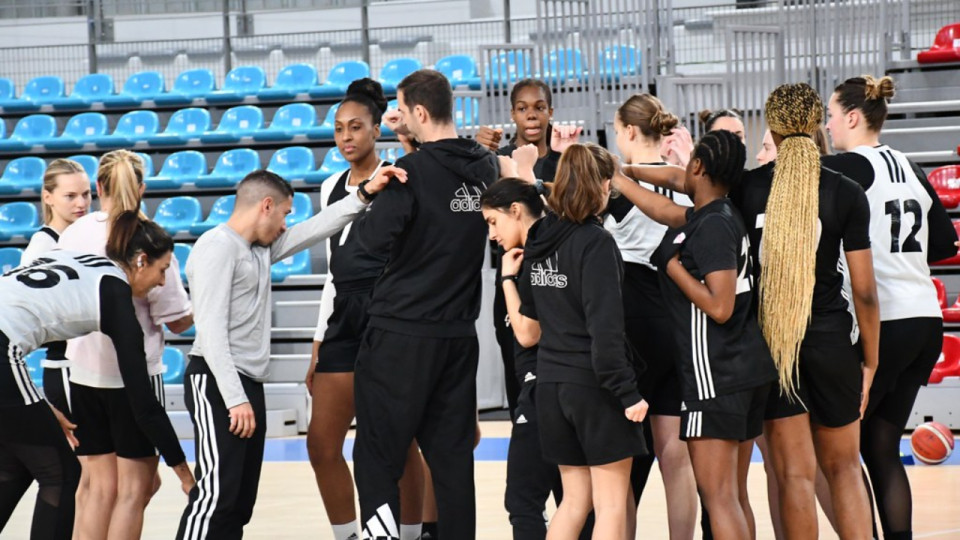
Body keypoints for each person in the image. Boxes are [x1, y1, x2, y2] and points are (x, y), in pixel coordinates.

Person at [622, 83, 880, 540]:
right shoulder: (845, 190)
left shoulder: (747, 186)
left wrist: (624, 172)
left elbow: (680, 190)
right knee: (844, 471)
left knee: (795, 477)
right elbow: (864, 291)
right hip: (831, 344)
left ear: (773, 132)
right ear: (817, 127)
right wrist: (871, 359)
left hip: (776, 345)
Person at [177, 165, 400, 539]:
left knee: (238, 502)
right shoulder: (217, 247)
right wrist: (234, 399)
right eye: (283, 214)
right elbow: (211, 332)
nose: (285, 225)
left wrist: (365, 193)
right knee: (214, 498)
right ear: (266, 205)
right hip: (217, 383)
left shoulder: (258, 249)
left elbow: (316, 227)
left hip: (246, 385)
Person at [349, 69, 498, 540]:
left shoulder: (407, 175)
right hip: (458, 336)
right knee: (453, 464)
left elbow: (354, 258)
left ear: (418, 112)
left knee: (377, 458)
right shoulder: (486, 168)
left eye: (402, 109)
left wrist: (371, 193)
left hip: (400, 336)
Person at [615, 129, 778, 539]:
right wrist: (621, 176)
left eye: (688, 165)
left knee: (719, 496)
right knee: (733, 495)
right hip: (742, 371)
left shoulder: (711, 227)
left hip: (717, 375)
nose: (681, 172)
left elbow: (719, 306)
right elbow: (667, 201)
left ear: (700, 167)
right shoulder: (715, 213)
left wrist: (670, 266)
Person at [0, 211, 195, 540]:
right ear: (141, 260)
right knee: (61, 473)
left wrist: (40, 407)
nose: (162, 282)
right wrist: (186, 476)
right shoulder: (116, 298)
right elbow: (145, 405)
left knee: (13, 465)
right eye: (163, 271)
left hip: (7, 353)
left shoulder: (79, 258)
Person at [823, 75, 958, 540]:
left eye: (832, 115)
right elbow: (945, 241)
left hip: (886, 321)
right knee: (879, 444)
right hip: (926, 318)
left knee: (839, 452)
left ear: (853, 117)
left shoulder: (845, 169)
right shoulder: (911, 166)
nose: (828, 124)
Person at [504, 143, 648, 540]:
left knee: (573, 501)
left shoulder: (539, 242)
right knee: (612, 504)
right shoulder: (596, 243)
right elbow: (606, 331)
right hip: (594, 388)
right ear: (602, 185)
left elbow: (529, 324)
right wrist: (627, 392)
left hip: (550, 386)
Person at [305, 78, 424, 540]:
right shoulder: (330, 185)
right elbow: (334, 271)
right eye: (338, 129)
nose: (346, 137)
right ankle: (348, 535)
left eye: (356, 127)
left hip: (389, 314)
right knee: (321, 444)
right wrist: (318, 340)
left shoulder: (401, 176)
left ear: (377, 129)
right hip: (342, 320)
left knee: (400, 442)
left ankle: (413, 534)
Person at [58, 149, 193, 540]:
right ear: (143, 188)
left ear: (98, 188)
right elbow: (177, 319)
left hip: (81, 371)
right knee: (133, 492)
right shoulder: (149, 236)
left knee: (95, 490)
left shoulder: (75, 233)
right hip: (132, 379)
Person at [609, 93, 698, 540]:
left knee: (620, 462)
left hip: (633, 322)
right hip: (680, 318)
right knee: (675, 458)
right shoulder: (685, 181)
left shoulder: (615, 182)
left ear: (627, 131)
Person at [20, 159, 92, 420]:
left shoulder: (87, 239)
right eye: (70, 196)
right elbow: (31, 315)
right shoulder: (42, 247)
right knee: (84, 458)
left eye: (86, 194)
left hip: (91, 367)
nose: (81, 203)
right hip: (66, 367)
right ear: (48, 197)